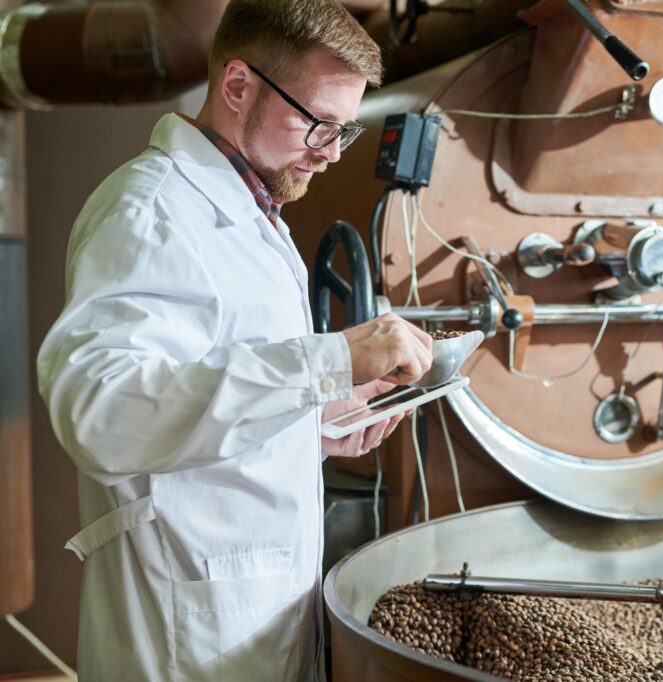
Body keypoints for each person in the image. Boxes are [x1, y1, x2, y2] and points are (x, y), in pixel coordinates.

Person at [36, 1, 432, 679]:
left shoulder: (258, 216)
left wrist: (309, 423)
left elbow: (197, 394)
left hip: (252, 620)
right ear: (238, 85)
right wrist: (331, 359)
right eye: (318, 124)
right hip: (187, 634)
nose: (333, 154)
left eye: (345, 132)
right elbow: (101, 413)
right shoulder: (152, 211)